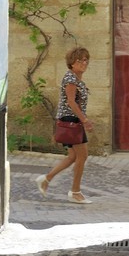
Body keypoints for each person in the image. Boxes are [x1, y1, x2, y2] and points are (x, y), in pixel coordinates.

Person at [37, 47, 94, 203]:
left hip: (71, 120)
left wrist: (84, 117)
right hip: (72, 121)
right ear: (71, 63)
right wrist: (84, 120)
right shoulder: (71, 79)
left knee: (73, 156)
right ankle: (75, 192)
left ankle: (46, 179)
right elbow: (70, 101)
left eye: (85, 59)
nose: (84, 63)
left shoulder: (75, 77)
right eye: (80, 60)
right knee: (82, 156)